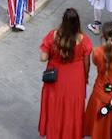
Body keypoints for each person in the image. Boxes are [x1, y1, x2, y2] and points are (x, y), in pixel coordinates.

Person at [38, 8, 90, 139]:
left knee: (55, 108)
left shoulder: (53, 35)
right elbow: (87, 62)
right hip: (76, 80)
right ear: (78, 23)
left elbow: (43, 57)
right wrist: (86, 77)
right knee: (72, 110)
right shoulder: (84, 40)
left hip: (56, 79)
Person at [82, 23, 112, 139]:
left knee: (99, 128)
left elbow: (95, 63)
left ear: (102, 36)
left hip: (99, 95)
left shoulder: (96, 52)